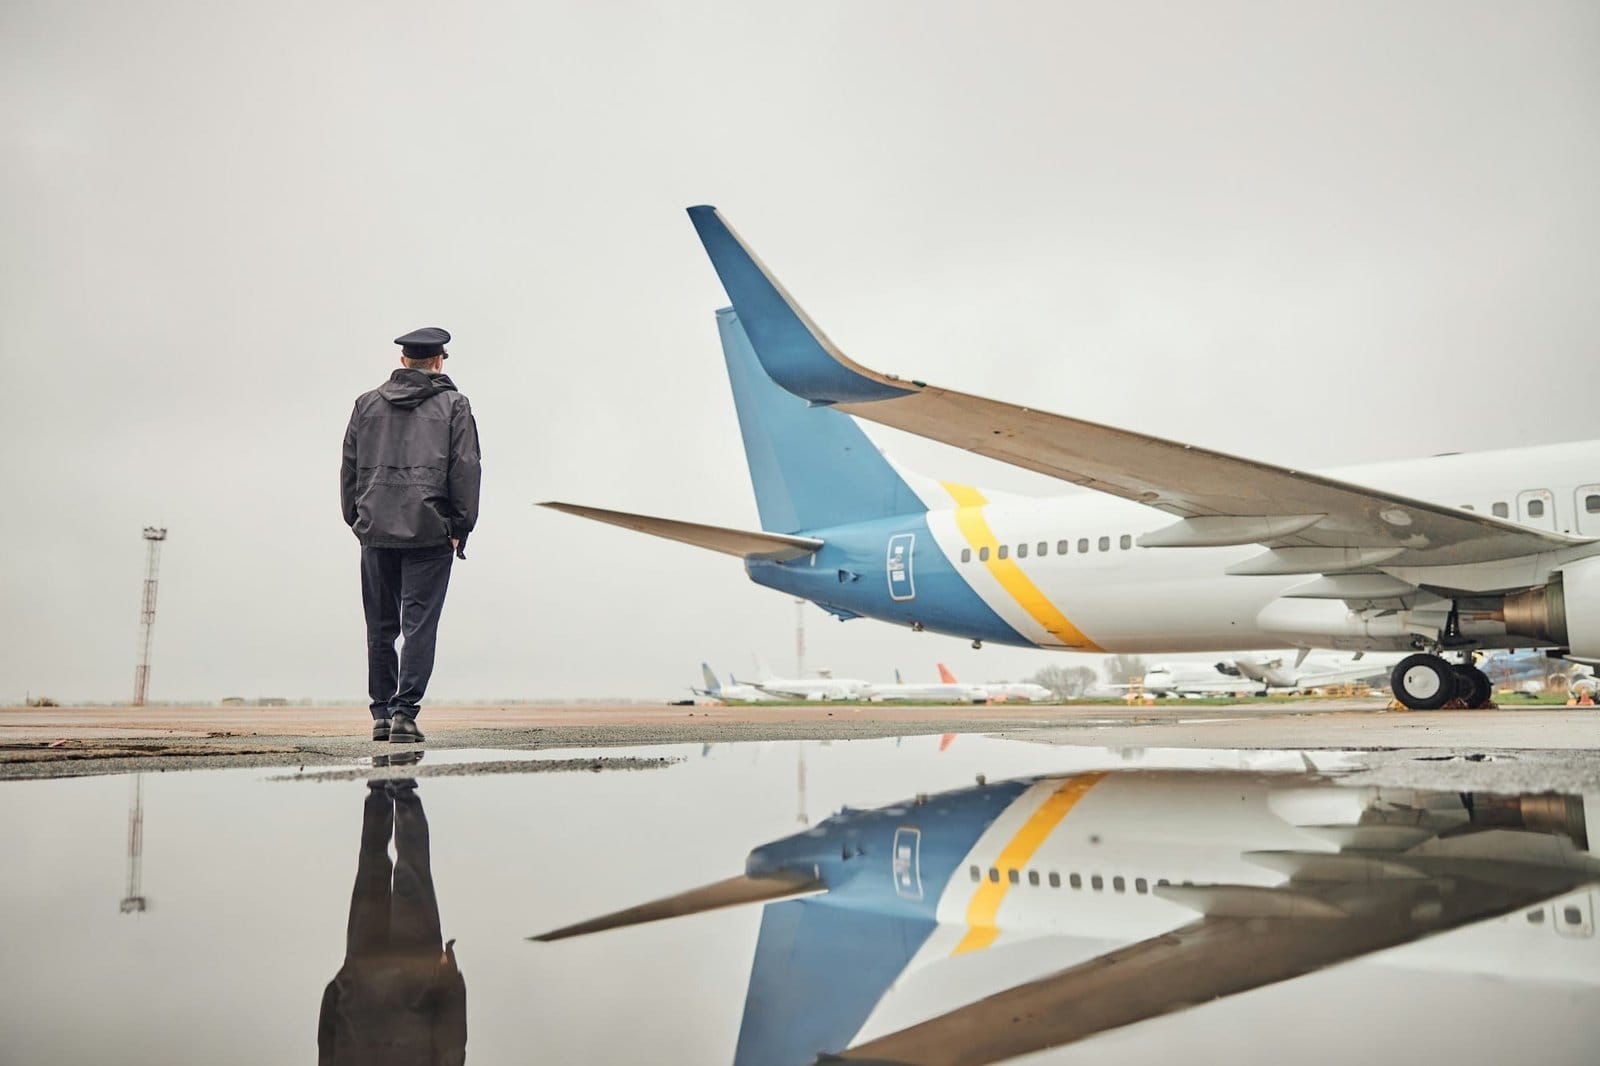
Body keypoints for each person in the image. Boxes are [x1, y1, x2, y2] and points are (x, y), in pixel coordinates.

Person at [341, 327, 481, 743]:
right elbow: (466, 468)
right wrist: (460, 527)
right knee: (420, 626)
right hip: (430, 531)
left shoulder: (365, 405)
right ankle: (405, 714)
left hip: (376, 529)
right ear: (439, 361)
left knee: (380, 627)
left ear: (404, 362)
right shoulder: (455, 405)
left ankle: (381, 715)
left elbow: (349, 467)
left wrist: (357, 519)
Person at [319, 770, 467, 1065]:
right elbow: (327, 1033)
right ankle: (380, 789)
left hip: (414, 969)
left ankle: (402, 786)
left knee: (412, 865)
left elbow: (451, 1044)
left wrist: (450, 978)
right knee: (372, 861)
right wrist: (345, 980)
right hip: (363, 975)